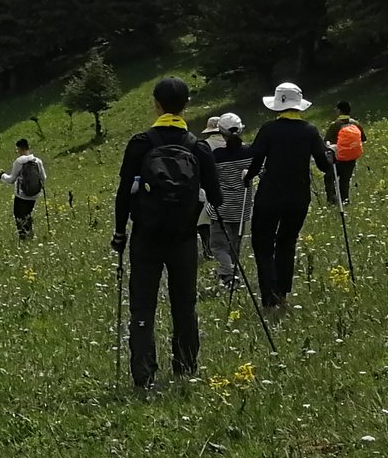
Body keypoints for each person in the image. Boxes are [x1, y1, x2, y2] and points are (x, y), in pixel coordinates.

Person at [111, 75, 222, 389]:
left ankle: (143, 373)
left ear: (156, 104)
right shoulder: (197, 147)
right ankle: (185, 366)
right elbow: (217, 198)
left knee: (143, 306)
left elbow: (122, 193)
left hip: (146, 236)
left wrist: (120, 233)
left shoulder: (140, 143)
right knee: (184, 304)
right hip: (183, 237)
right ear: (187, 106)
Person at [244, 82, 335, 311]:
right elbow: (325, 165)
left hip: (270, 195)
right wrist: (330, 154)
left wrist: (248, 177)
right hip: (298, 196)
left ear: (277, 106)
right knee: (287, 242)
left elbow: (256, 159)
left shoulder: (268, 129)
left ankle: (269, 297)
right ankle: (282, 293)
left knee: (263, 244)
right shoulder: (310, 130)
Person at [202, 113, 250, 291]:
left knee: (218, 245)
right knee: (235, 244)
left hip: (221, 206)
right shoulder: (249, 152)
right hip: (242, 206)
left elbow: (210, 179)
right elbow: (260, 171)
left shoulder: (217, 155)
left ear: (220, 132)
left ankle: (228, 275)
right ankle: (232, 274)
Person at [3, 139, 47, 240]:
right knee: (28, 214)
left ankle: (23, 237)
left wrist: (2, 176)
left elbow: (11, 180)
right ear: (28, 147)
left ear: (19, 148)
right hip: (34, 195)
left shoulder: (19, 162)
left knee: (19, 216)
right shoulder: (37, 161)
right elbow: (43, 178)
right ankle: (30, 235)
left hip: (21, 195)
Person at [329, 101, 365, 205]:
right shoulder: (356, 123)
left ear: (339, 111)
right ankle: (345, 200)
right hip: (351, 157)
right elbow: (363, 138)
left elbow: (327, 141)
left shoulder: (335, 125)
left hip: (338, 158)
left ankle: (333, 200)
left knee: (330, 177)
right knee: (345, 180)